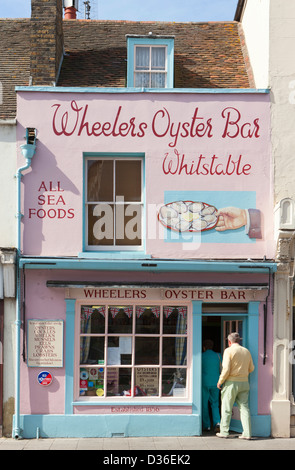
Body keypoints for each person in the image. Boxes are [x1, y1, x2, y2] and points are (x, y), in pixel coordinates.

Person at [216, 332, 255, 440]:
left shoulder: (228, 351)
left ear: (229, 342)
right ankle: (247, 433)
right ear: (239, 341)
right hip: (244, 382)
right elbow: (251, 368)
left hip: (231, 383)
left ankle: (224, 431)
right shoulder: (246, 351)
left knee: (226, 407)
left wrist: (220, 381)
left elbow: (226, 369)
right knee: (244, 408)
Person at [202, 339, 221, 432]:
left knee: (204, 404)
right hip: (216, 382)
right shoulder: (218, 356)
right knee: (215, 403)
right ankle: (217, 422)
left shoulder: (201, 356)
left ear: (204, 347)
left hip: (204, 382)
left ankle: (207, 425)